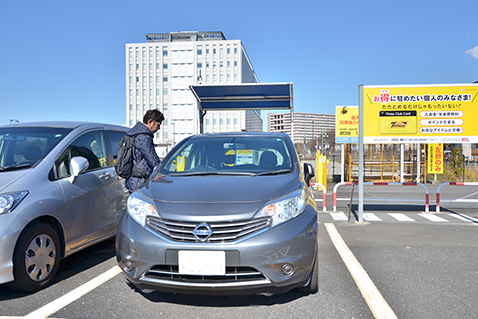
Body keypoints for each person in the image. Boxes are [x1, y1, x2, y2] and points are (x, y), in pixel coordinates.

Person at [125, 109, 164, 192]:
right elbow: (151, 157)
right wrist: (160, 171)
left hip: (134, 179)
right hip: (139, 181)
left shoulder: (135, 134)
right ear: (150, 122)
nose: (159, 128)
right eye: (158, 125)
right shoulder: (144, 137)